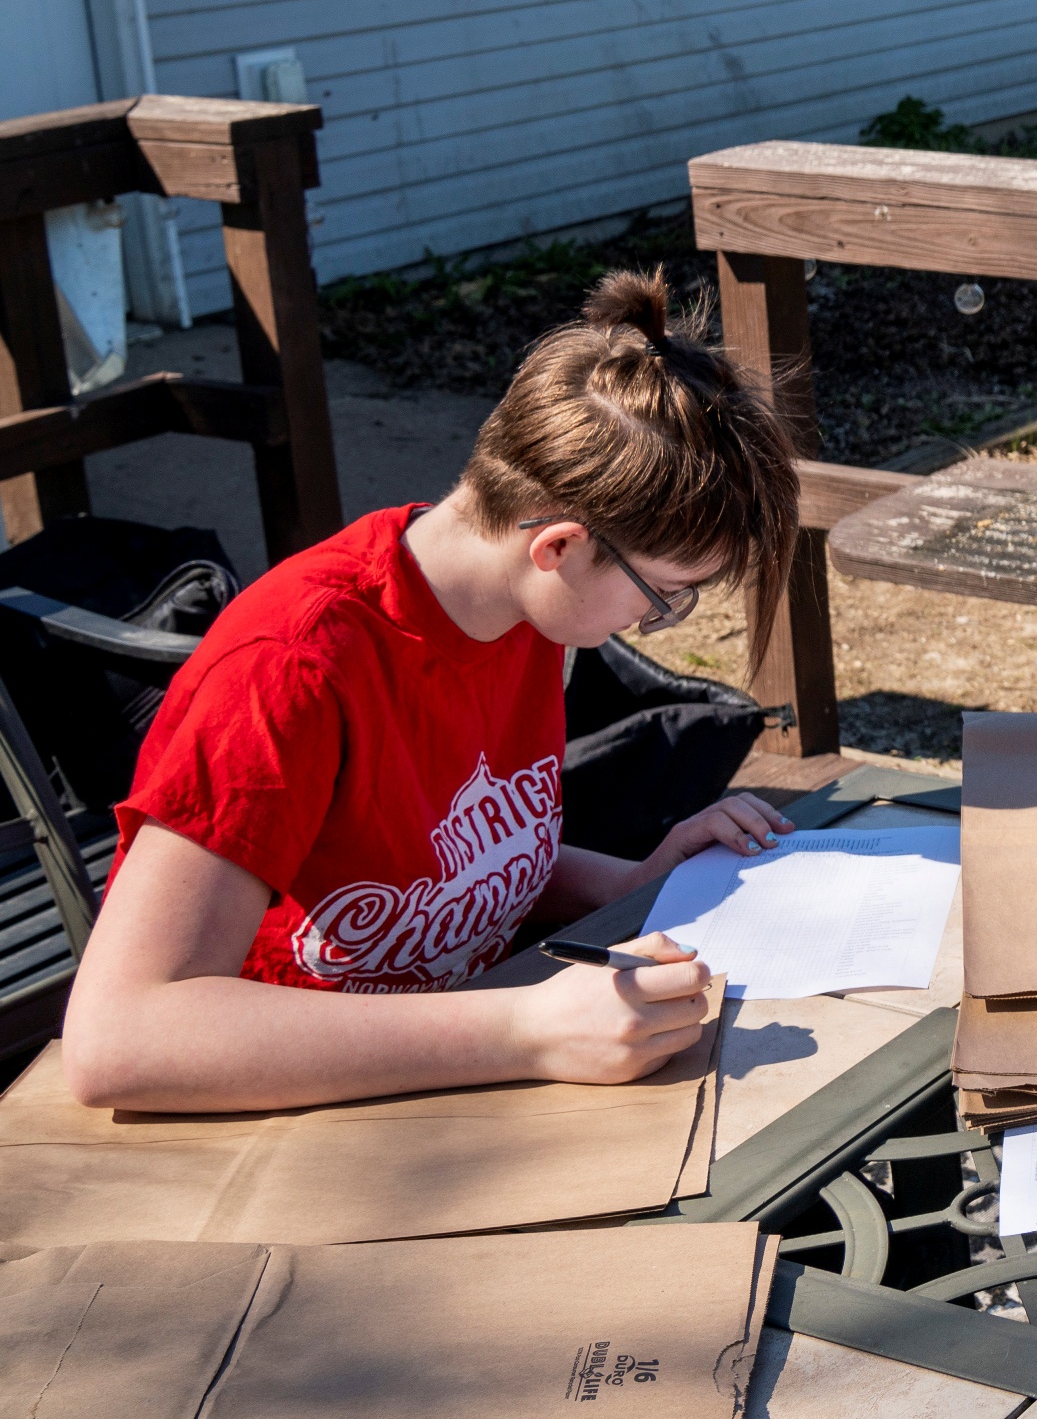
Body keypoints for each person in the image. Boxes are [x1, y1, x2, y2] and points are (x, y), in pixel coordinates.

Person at [63, 271, 802, 1111]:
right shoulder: (287, 671)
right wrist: (526, 1028)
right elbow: (118, 1037)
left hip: (452, 1074)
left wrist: (636, 881)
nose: (660, 616)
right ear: (557, 546)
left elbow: (434, 860)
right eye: (666, 591)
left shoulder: (521, 612)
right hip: (294, 1124)